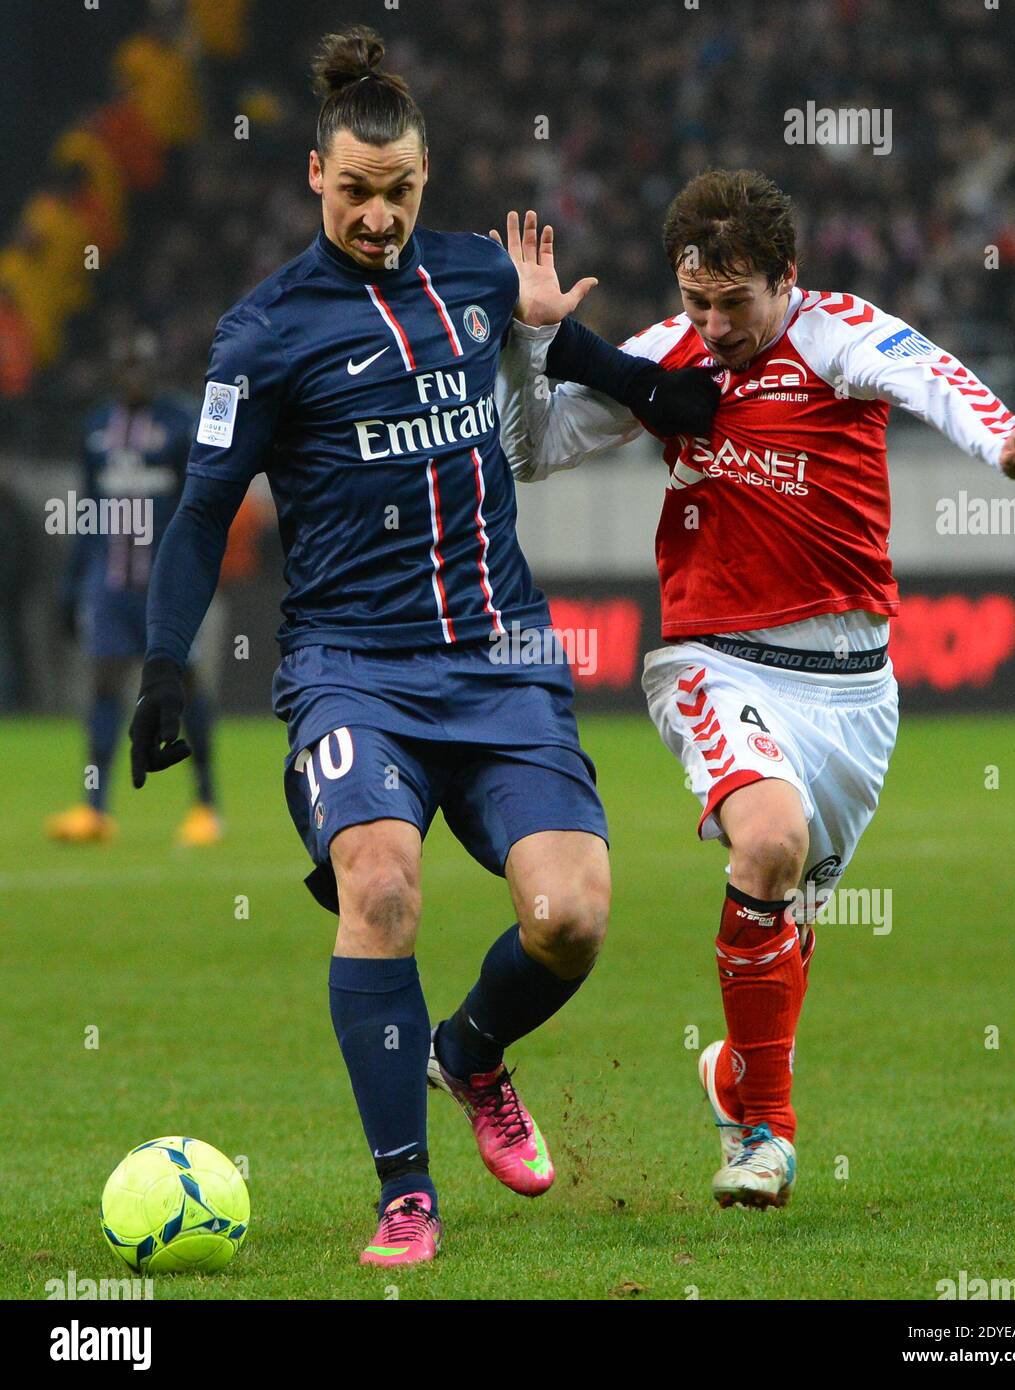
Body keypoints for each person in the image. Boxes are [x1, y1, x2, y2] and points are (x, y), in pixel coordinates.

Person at [127, 26, 718, 1267]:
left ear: (426, 179)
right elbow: (197, 512)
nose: (378, 216)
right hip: (352, 665)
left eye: (398, 192)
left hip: (501, 657)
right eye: (354, 191)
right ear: (313, 175)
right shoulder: (263, 332)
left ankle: (471, 1053)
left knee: (572, 919)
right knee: (380, 882)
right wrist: (165, 661)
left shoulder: (474, 277)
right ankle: (406, 1190)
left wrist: (666, 392)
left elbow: (580, 362)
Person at [495, 170, 1015, 1210]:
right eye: (696, 300)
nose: (711, 326)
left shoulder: (839, 334)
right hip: (714, 658)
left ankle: (737, 1074)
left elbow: (935, 377)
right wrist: (530, 343)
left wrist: (1006, 441)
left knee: (786, 920)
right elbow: (532, 453)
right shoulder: (671, 354)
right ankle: (767, 1129)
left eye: (734, 303)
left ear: (786, 279)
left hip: (854, 694)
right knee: (767, 840)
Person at [47, 330, 221, 847]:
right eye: (124, 366)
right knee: (103, 688)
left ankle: (205, 805)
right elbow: (87, 509)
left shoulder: (180, 422)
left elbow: (202, 506)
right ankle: (95, 807)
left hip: (165, 587)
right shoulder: (98, 425)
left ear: (155, 368)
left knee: (184, 688)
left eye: (140, 365)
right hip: (110, 584)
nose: (133, 375)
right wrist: (73, 584)